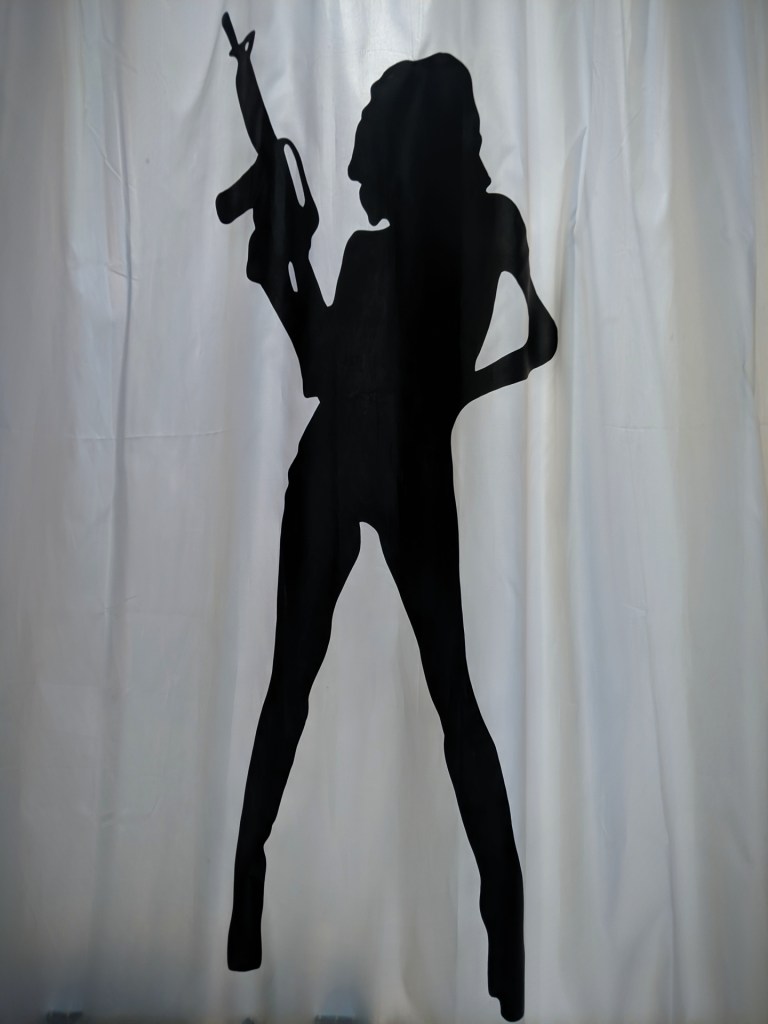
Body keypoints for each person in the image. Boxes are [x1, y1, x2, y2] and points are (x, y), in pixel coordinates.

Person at [219, 51, 557, 1022]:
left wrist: (283, 272)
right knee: (453, 696)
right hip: (407, 465)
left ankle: (247, 883)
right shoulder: (496, 225)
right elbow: (540, 339)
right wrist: (457, 392)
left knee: (292, 683)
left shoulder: (377, 256)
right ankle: (505, 924)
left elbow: (325, 370)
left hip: (341, 463)